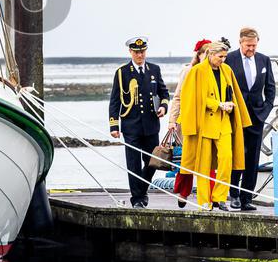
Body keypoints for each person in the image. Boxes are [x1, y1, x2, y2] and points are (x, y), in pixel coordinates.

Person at [178, 40, 252, 210]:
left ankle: (220, 198)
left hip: (224, 123)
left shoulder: (227, 70)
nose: (223, 60)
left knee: (227, 160)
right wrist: (217, 104)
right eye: (220, 56)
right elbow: (192, 99)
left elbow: (232, 93)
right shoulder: (196, 71)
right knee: (203, 165)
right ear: (210, 54)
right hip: (204, 125)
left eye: (225, 57)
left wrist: (231, 105)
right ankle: (204, 201)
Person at [108, 36, 170, 208]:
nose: (140, 55)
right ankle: (138, 199)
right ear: (130, 52)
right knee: (133, 164)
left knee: (153, 162)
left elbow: (164, 94)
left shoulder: (154, 70)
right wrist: (114, 125)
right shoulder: (122, 73)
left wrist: (163, 107)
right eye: (136, 52)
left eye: (142, 51)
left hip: (151, 126)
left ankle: (141, 189)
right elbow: (115, 100)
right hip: (131, 125)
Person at [225, 27, 275, 211]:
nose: (251, 49)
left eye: (254, 45)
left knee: (253, 159)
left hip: (256, 116)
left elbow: (270, 88)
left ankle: (247, 197)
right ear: (240, 43)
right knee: (236, 156)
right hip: (235, 117)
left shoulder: (264, 60)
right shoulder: (229, 59)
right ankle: (234, 195)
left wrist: (266, 109)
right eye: (248, 46)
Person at [168, 38, 211, 207]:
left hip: (208, 121)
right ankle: (183, 193)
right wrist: (172, 120)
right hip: (188, 121)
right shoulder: (188, 71)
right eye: (205, 54)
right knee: (186, 160)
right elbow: (177, 97)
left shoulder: (214, 72)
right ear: (199, 55)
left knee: (208, 161)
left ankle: (209, 197)